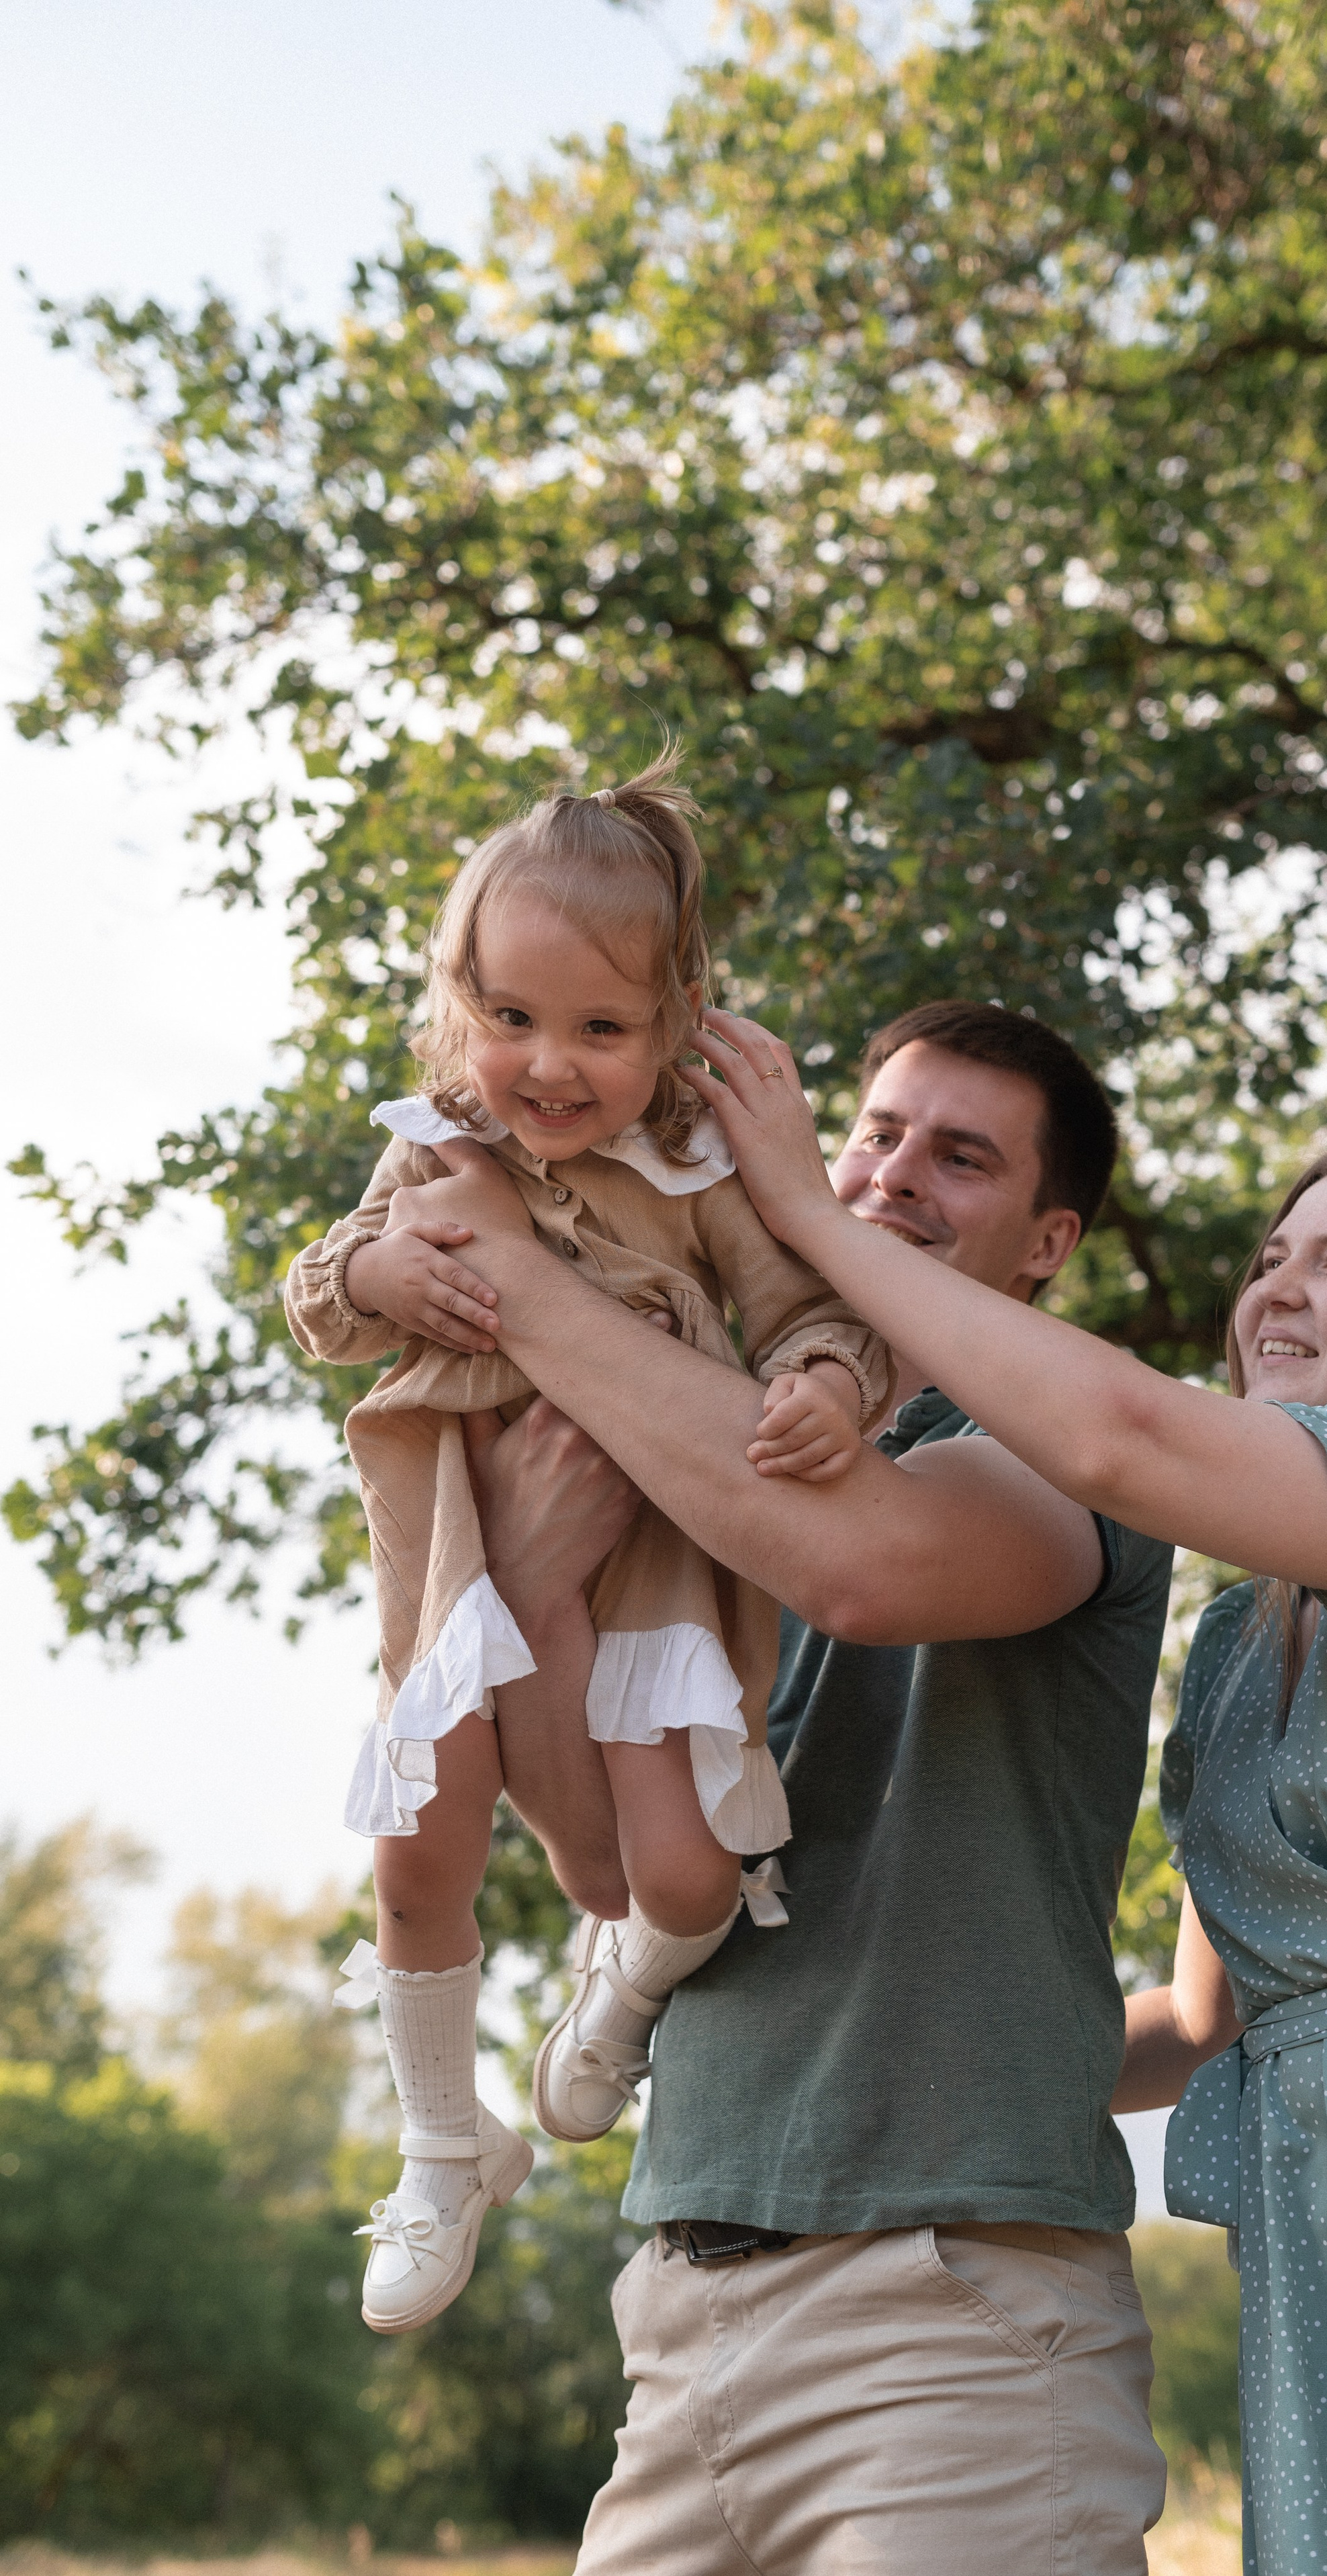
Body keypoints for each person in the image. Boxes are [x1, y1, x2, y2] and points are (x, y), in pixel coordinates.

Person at [676, 1020, 1327, 2576]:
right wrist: (896, 2068)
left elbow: (1118, 1431)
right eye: (1268, 1256)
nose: (1275, 1290)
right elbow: (1197, 2016)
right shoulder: (1241, 1636)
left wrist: (812, 1216)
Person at [377, 999, 1177, 2575]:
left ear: (1044, 1243)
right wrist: (536, 1589)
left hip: (947, 2316)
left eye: (959, 1159)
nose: (886, 1177)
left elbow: (864, 1564)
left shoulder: (1058, 1447)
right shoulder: (687, 1466)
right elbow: (609, 1869)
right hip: (680, 2311)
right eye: (873, 1132)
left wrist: (514, 1279)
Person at [283, 753, 889, 2335]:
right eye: (511, 1018)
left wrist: (824, 1384)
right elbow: (322, 1293)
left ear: (679, 1018)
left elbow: (810, 1313)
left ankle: (612, 1992)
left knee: (680, 1869)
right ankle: (438, 2142)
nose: (545, 1066)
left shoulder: (699, 1173)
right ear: (460, 1001)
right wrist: (380, 1283)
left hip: (653, 1557)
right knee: (418, 1839)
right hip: (464, 1544)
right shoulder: (436, 1144)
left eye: (599, 1029)